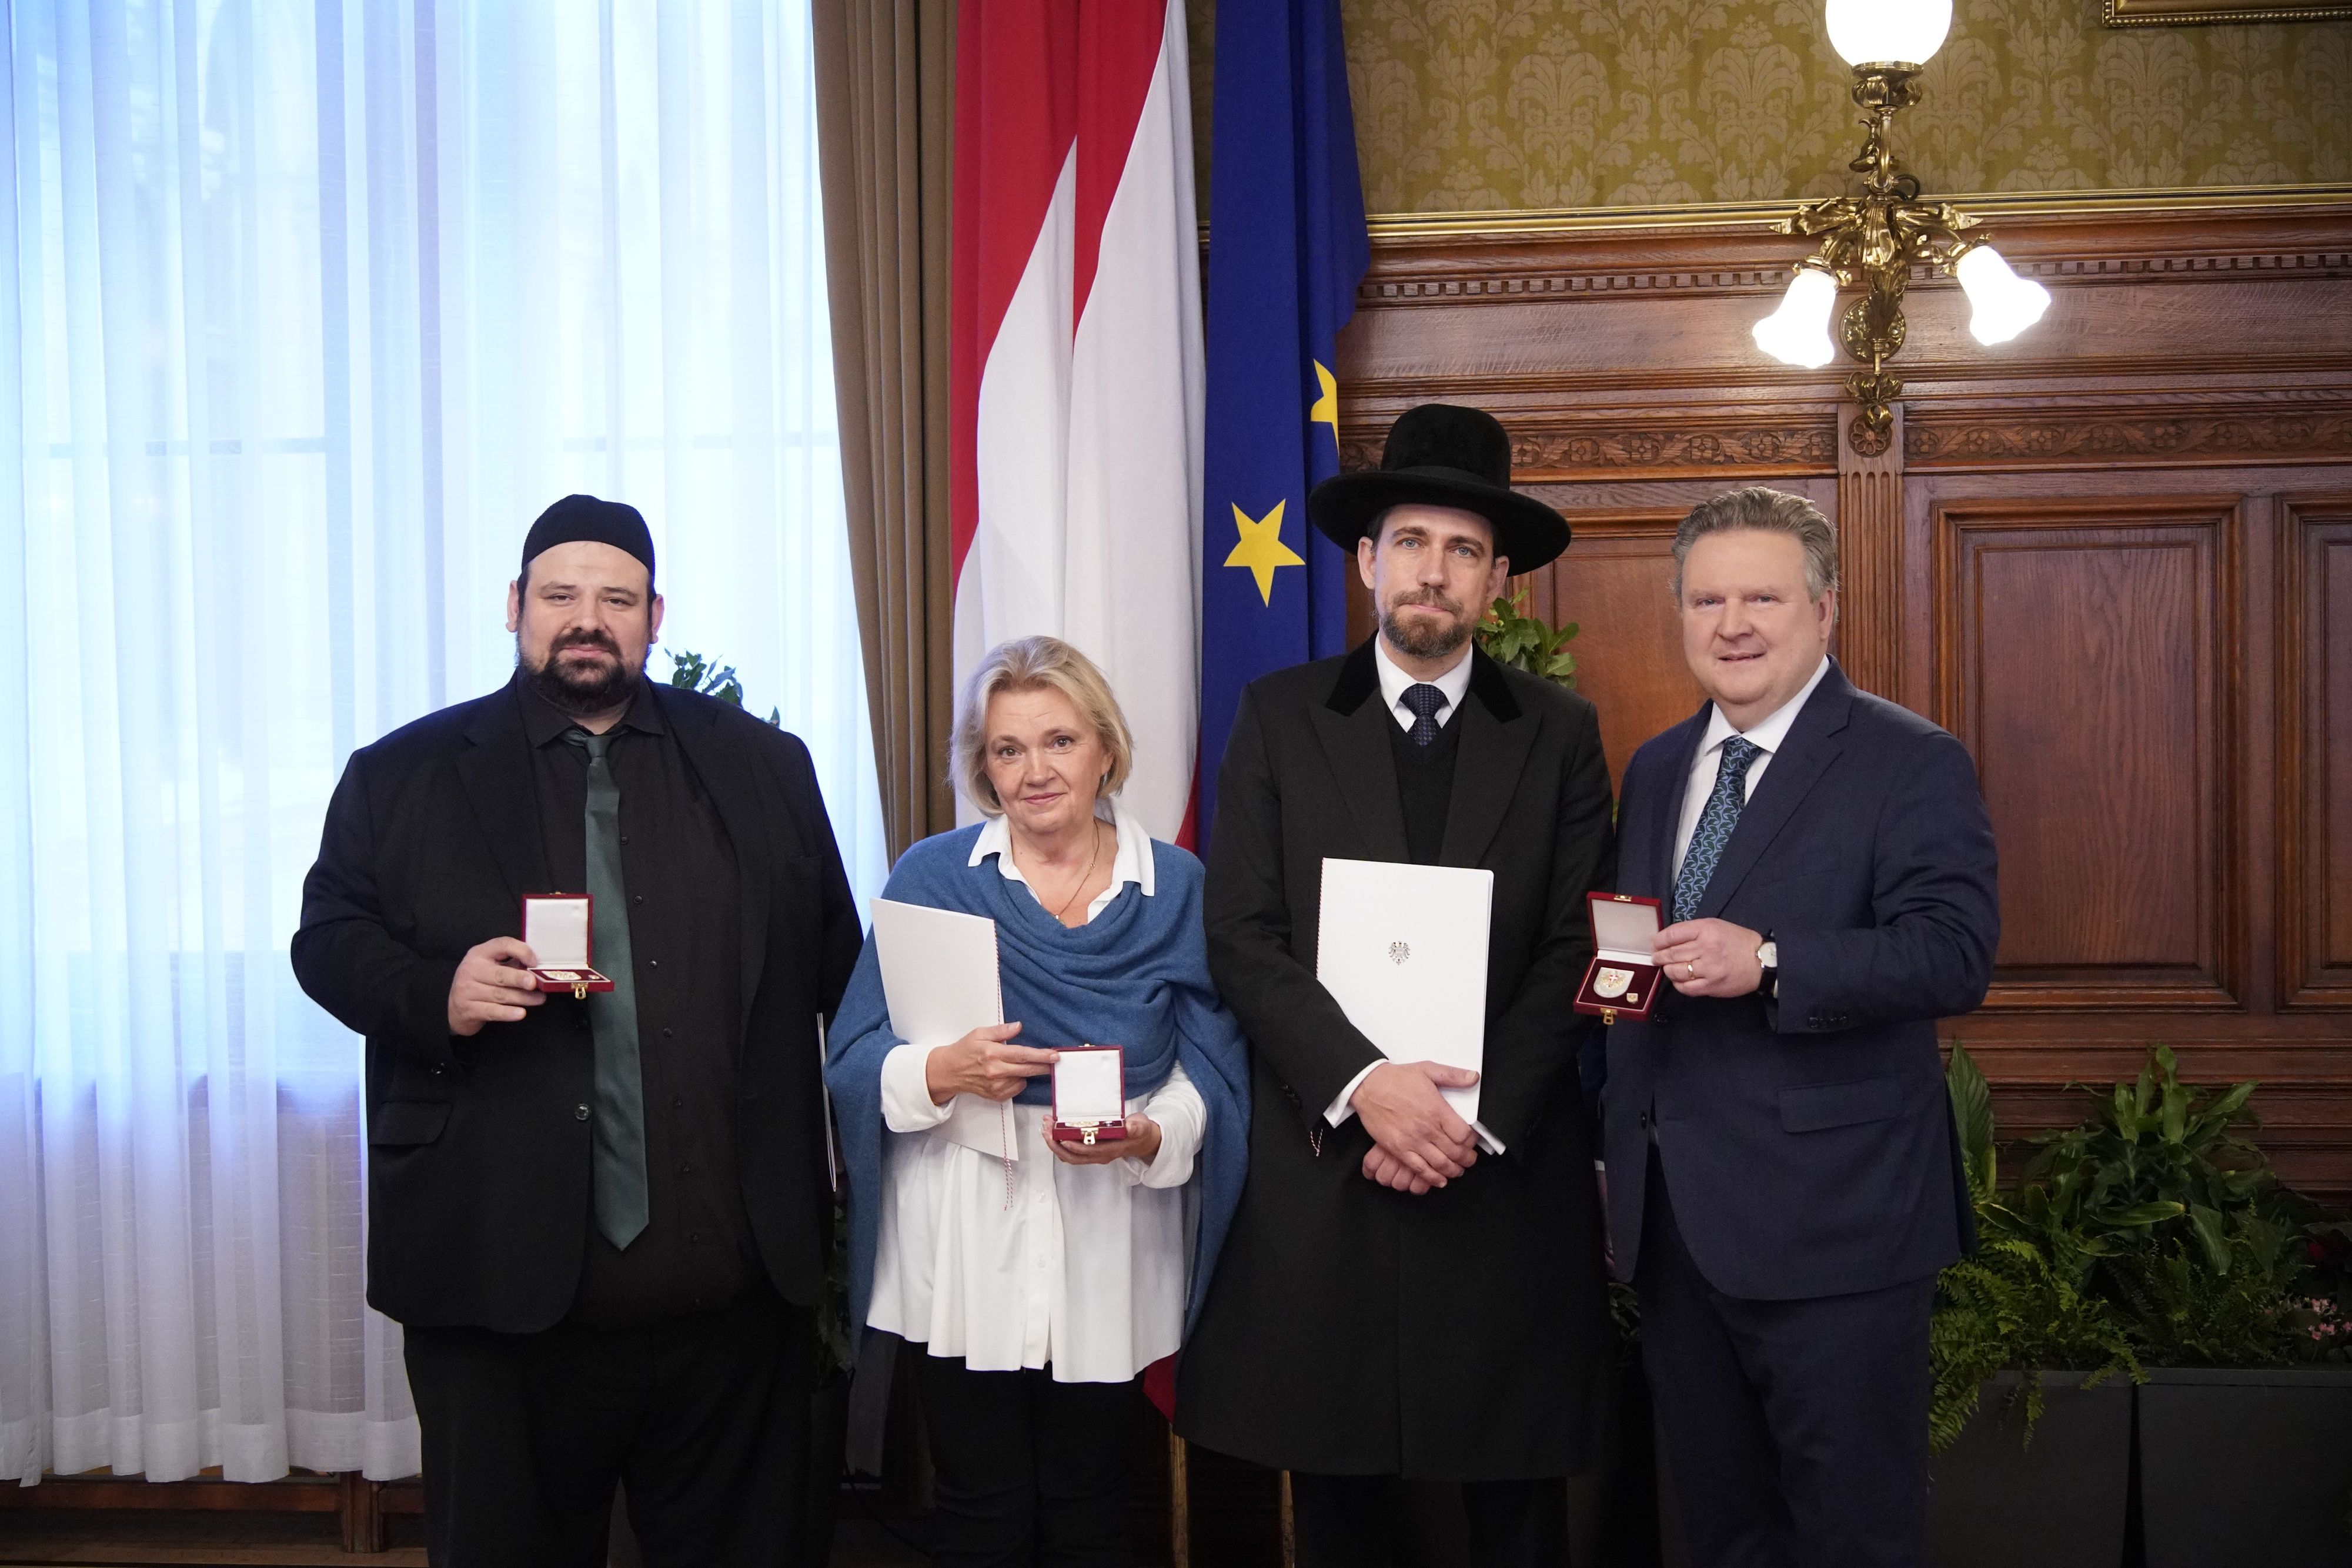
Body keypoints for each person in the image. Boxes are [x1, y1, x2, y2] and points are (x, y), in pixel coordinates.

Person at [292, 494, 862, 1567]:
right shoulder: (404, 772)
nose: (586, 619)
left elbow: (843, 967)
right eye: (560, 596)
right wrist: (436, 991)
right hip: (497, 1286)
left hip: (731, 1297)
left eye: (617, 598)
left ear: (655, 616)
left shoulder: (762, 767)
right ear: (516, 607)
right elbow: (326, 940)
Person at [1175, 403, 1618, 1568]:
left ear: (1498, 577)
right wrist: (1365, 1084)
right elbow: (1242, 930)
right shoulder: (1277, 715)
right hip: (1332, 1172)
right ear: (1366, 559)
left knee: (1516, 1515)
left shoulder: (1562, 732)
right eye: (1410, 541)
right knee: (1338, 1515)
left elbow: (1573, 945)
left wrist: (1459, 1117)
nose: (1434, 570)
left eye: (1463, 548)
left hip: (1496, 1178)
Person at [1602, 486, 1998, 1567]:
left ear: (1825, 611)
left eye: (1762, 598)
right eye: (1707, 600)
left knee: (1851, 1532)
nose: (1732, 624)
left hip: (1840, 1229)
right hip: (1678, 1231)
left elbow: (1955, 953)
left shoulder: (1909, 761)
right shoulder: (1651, 768)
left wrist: (1770, 960)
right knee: (1723, 1531)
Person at [826, 635, 1250, 1568]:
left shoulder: (1175, 887)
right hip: (964, 1227)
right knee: (978, 1506)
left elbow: (1213, 1073)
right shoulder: (931, 877)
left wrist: (1149, 1135)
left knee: (1094, 1503)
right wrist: (942, 1072)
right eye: (1008, 749)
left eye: (1058, 741)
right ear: (982, 766)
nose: (1035, 770)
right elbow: (855, 1056)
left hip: (1112, 1225)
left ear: (1105, 748)